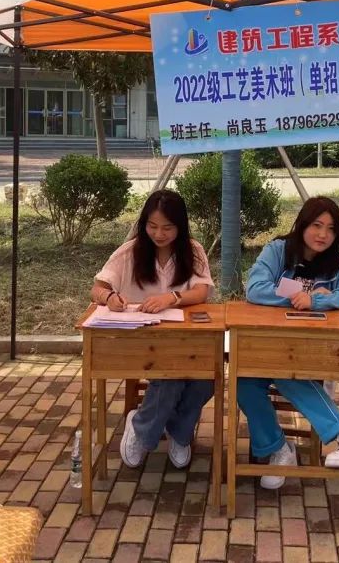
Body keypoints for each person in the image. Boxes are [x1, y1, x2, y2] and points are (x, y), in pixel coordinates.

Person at [240, 196, 339, 489]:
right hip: (271, 345)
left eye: (331, 229)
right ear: (302, 225)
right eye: (317, 225)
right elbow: (255, 289)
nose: (323, 235)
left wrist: (317, 301)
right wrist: (301, 297)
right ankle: (279, 449)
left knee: (285, 369)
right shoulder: (278, 250)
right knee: (243, 380)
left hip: (315, 351)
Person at [91, 190, 214, 469]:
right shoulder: (130, 251)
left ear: (180, 227)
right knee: (171, 377)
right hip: (140, 342)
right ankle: (145, 431)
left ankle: (177, 432)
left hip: (183, 340)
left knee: (206, 378)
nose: (159, 234)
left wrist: (172, 297)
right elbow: (97, 288)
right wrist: (109, 297)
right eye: (152, 226)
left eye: (167, 228)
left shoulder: (192, 251)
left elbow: (202, 291)